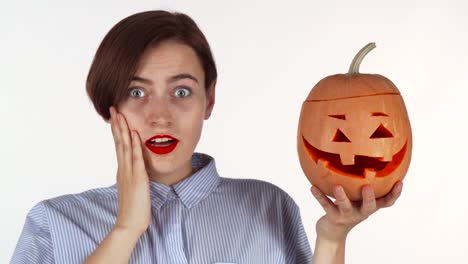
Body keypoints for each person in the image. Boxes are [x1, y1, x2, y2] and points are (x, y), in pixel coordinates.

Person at [11, 10, 403, 264]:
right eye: (136, 92)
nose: (160, 115)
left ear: (209, 100)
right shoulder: (53, 223)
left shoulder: (269, 207)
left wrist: (332, 238)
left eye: (181, 91)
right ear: (108, 104)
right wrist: (126, 228)